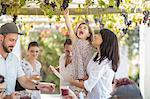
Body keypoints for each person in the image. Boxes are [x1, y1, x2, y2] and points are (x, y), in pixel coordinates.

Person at [0, 22, 55, 98]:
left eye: (15, 40)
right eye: (11, 40)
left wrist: (39, 86)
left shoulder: (14, 60)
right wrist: (8, 97)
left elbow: (24, 81)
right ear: (1, 38)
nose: (14, 44)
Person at [67, 29, 120, 99]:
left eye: (99, 35)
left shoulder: (105, 62)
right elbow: (89, 76)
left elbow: (88, 85)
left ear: (105, 41)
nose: (95, 36)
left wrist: (69, 80)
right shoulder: (96, 56)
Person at [64, 9, 94, 80]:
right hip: (77, 75)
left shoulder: (92, 45)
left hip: (88, 75)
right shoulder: (76, 41)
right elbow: (70, 29)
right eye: (79, 28)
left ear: (89, 34)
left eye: (85, 28)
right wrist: (66, 17)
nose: (81, 29)